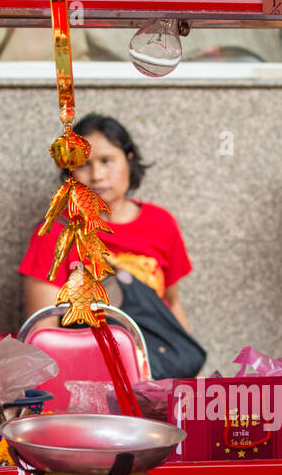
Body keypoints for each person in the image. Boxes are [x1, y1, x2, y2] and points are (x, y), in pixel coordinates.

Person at [19, 114, 201, 377]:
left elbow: (171, 305)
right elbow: (43, 332)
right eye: (83, 165)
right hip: (89, 379)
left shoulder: (161, 223)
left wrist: (184, 365)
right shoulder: (55, 233)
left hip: (159, 375)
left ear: (129, 160)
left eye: (106, 161)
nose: (96, 176)